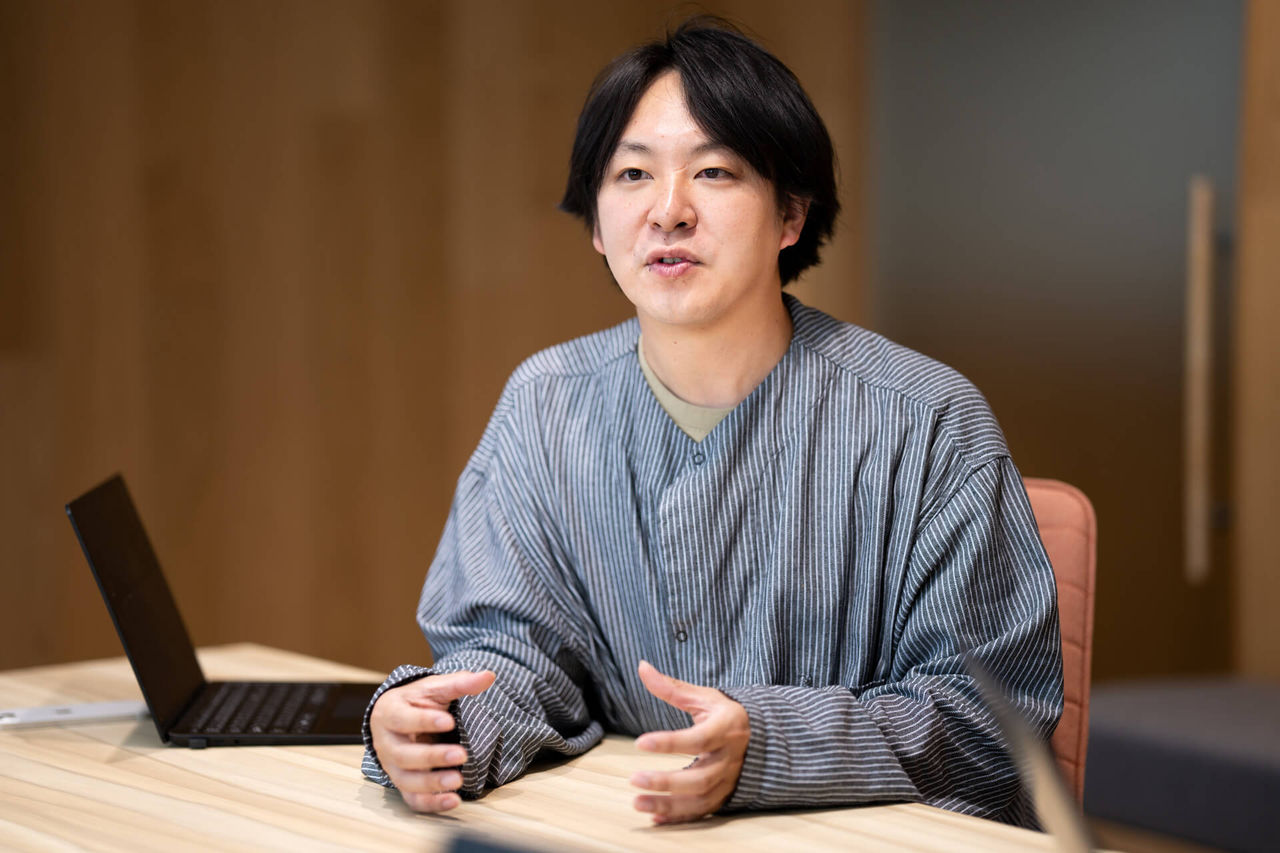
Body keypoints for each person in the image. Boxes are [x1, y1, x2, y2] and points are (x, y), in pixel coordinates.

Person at [362, 17, 1063, 828]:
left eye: (715, 172)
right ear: (597, 223)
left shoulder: (928, 420)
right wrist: (438, 728)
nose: (668, 211)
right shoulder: (544, 406)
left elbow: (988, 720)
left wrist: (770, 742)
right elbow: (516, 655)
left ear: (790, 215)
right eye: (632, 174)